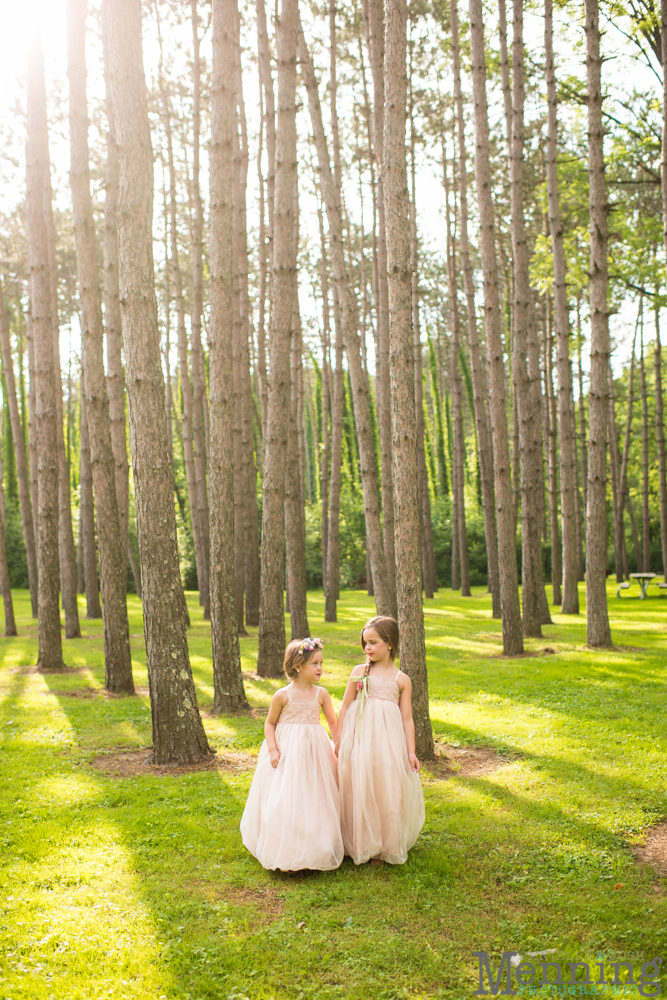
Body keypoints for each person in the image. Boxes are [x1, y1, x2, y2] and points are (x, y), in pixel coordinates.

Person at [240, 637, 344, 872]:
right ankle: (286, 848)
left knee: (316, 794)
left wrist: (338, 743)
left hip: (315, 750)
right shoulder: (282, 696)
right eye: (314, 664)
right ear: (297, 666)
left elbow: (332, 722)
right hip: (287, 751)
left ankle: (318, 846)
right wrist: (273, 749)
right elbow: (269, 724)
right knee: (286, 795)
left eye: (320, 663)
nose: (320, 668)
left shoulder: (321, 694)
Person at [335, 615, 425, 866]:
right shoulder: (359, 672)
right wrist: (340, 737)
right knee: (358, 783)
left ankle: (383, 843)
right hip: (359, 736)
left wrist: (410, 752)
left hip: (387, 740)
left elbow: (407, 719)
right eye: (365, 643)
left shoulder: (401, 680)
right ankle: (359, 841)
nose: (367, 648)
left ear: (390, 643)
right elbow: (345, 707)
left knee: (385, 785)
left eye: (373, 643)